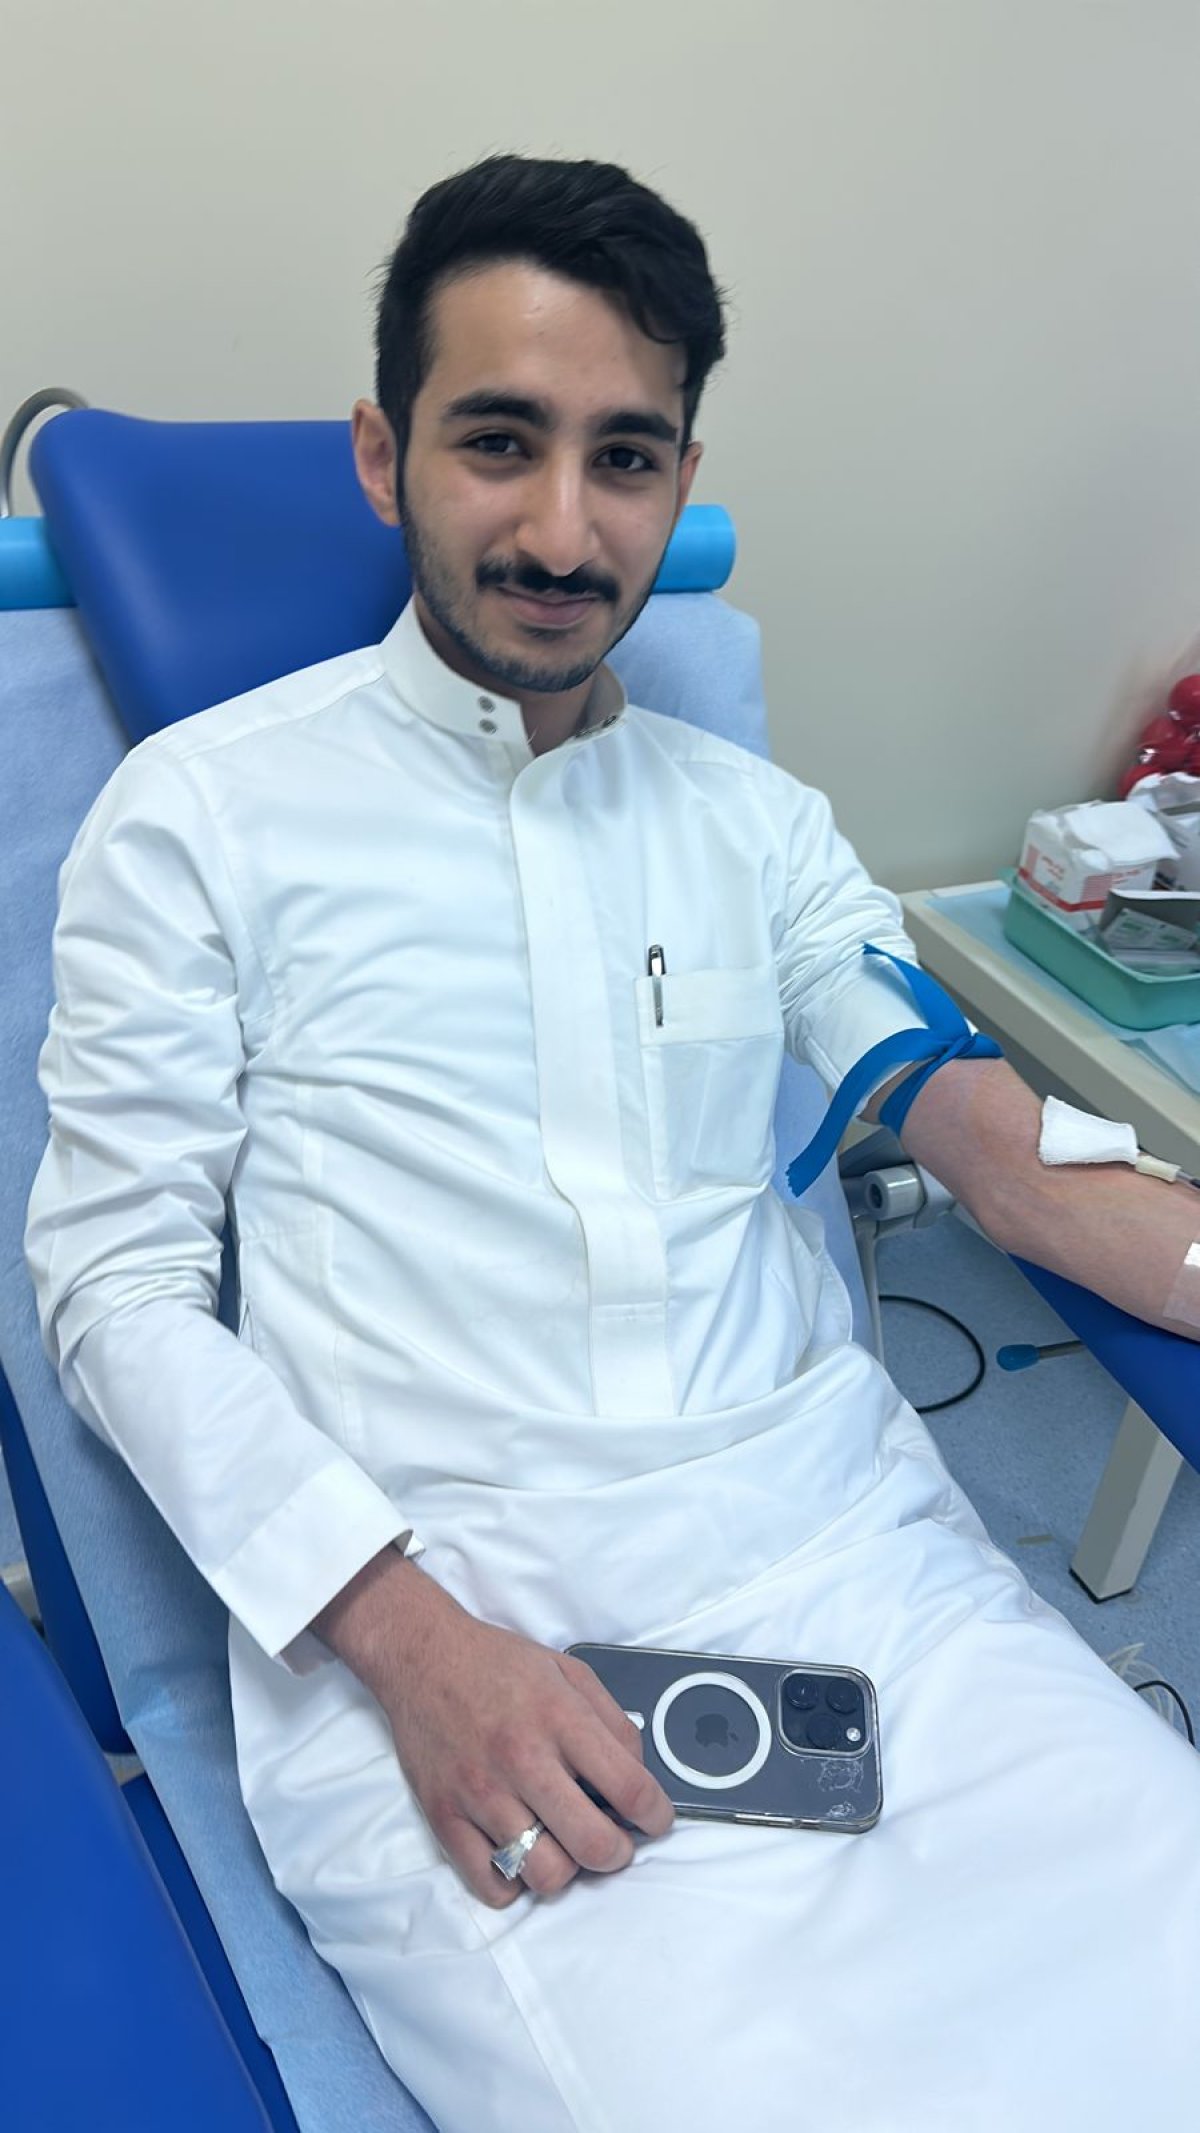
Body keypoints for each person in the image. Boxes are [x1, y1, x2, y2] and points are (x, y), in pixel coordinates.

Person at [25, 155, 1200, 2133]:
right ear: (385, 456)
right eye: (501, 441)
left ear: (681, 477)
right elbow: (114, 1286)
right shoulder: (202, 818)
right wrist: (412, 1646)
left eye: (626, 458)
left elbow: (978, 1132)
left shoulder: (756, 821)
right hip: (464, 1625)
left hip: (863, 1571)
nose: (565, 530)